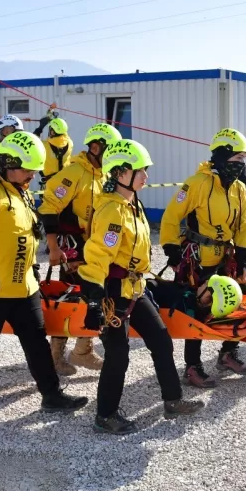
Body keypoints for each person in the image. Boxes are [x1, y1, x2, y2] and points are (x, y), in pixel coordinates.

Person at [0, 131, 87, 420]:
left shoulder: (18, 189)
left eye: (34, 171)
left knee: (36, 341)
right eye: (27, 169)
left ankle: (51, 394)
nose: (31, 176)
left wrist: (32, 262)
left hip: (23, 285)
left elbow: (22, 232)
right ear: (7, 162)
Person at [79, 139, 203, 434]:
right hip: (114, 293)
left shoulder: (132, 204)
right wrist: (94, 301)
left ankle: (173, 400)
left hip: (136, 287)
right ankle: (105, 416)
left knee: (161, 339)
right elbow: (97, 257)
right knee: (118, 355)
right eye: (141, 171)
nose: (146, 176)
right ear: (121, 173)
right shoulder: (112, 211)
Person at [160, 128, 246, 387]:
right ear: (223, 156)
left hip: (227, 257)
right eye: (237, 160)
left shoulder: (238, 189)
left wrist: (245, 257)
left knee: (238, 300)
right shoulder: (197, 184)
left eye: (243, 161)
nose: (241, 166)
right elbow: (171, 216)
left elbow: (245, 224)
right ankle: (192, 367)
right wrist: (172, 251)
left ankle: (228, 353)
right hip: (199, 260)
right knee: (199, 309)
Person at [38, 122, 122, 375]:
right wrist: (52, 247)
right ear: (95, 147)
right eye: (110, 150)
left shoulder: (105, 174)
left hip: (96, 248)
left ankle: (83, 349)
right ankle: (54, 357)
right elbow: (49, 207)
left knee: (96, 297)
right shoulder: (73, 172)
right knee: (70, 297)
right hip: (73, 248)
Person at [38, 114, 73, 187]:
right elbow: (63, 134)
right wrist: (58, 122)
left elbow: (33, 141)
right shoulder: (70, 143)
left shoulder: (44, 146)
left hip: (50, 183)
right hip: (65, 182)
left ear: (53, 132)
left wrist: (40, 128)